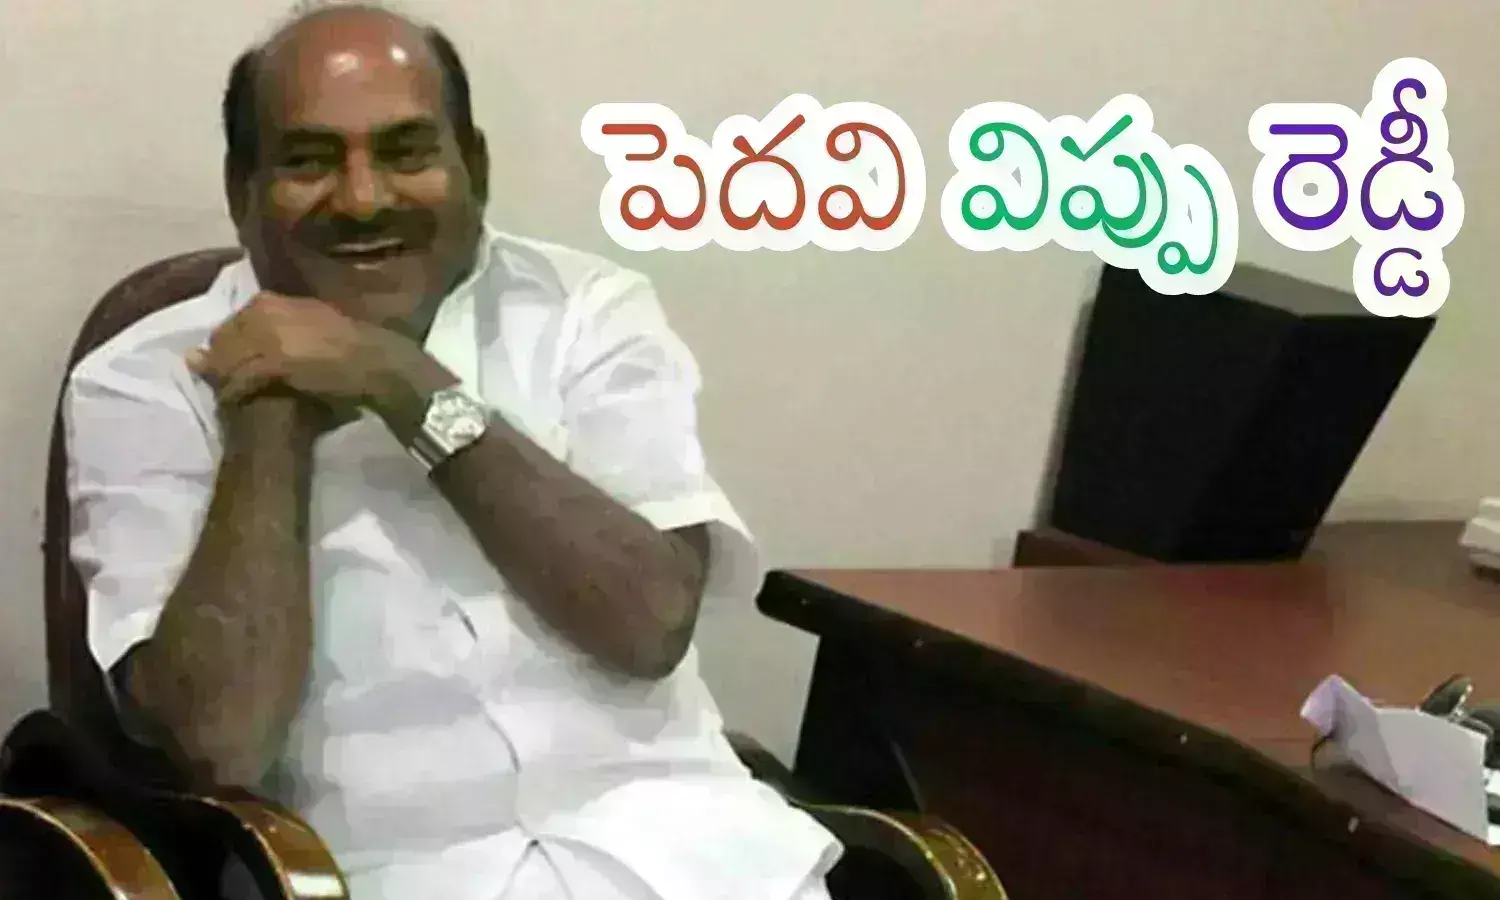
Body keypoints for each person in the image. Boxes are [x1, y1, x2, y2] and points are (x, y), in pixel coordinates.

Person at [65, 3, 840, 898]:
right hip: (375, 876)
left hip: (688, 860)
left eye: (407, 152)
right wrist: (269, 406)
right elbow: (219, 740)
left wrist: (403, 383)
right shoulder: (141, 380)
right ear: (244, 189)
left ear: (474, 166)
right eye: (310, 160)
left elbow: (650, 624)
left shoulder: (589, 314)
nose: (364, 199)